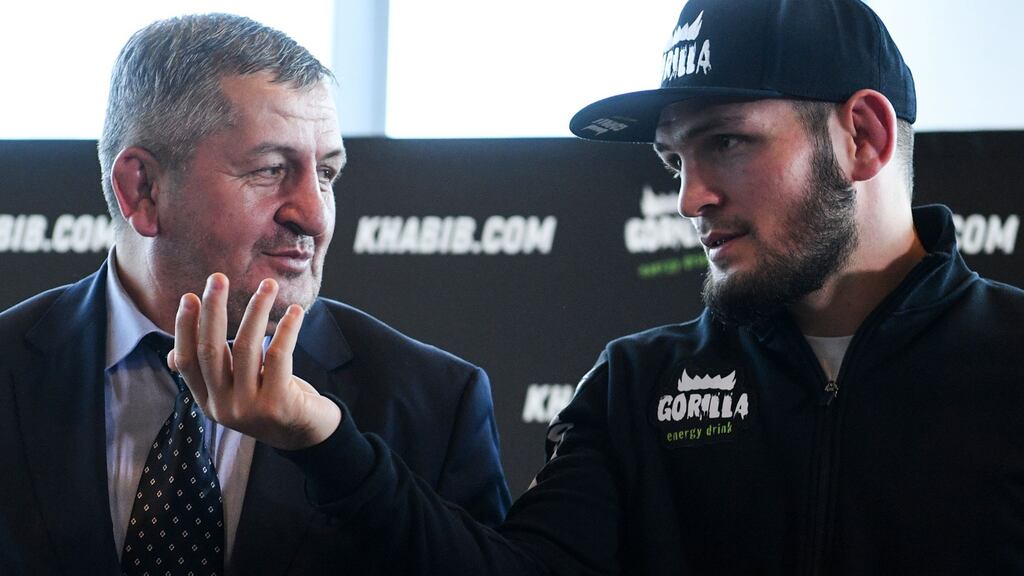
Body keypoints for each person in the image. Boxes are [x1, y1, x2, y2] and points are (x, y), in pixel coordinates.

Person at [166, 0, 1024, 574]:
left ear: (864, 137)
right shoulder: (636, 387)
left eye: (727, 143)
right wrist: (323, 437)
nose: (690, 199)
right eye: (675, 161)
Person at [0, 13, 510, 575]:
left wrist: (338, 455)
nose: (313, 215)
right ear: (142, 189)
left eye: (327, 174)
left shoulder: (433, 403)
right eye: (270, 170)